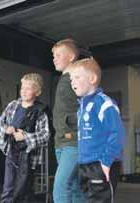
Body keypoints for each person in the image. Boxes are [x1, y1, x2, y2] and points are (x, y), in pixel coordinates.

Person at [70, 58, 125, 203]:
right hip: (85, 163)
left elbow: (117, 133)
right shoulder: (81, 106)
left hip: (101, 163)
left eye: (77, 77)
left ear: (92, 79)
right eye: (71, 79)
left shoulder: (103, 102)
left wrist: (106, 162)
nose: (72, 82)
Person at [0, 73, 50, 203]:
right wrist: (6, 129)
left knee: (23, 190)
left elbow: (46, 134)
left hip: (28, 158)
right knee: (8, 188)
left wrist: (25, 137)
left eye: (28, 88)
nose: (24, 91)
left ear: (37, 92)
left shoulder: (40, 111)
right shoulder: (13, 105)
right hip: (11, 153)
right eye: (22, 88)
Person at [51, 38, 85, 203]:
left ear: (71, 57)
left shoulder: (77, 77)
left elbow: (89, 106)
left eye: (58, 55)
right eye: (53, 55)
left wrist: (70, 122)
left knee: (60, 186)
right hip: (61, 142)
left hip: (73, 141)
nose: (54, 58)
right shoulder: (64, 79)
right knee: (74, 187)